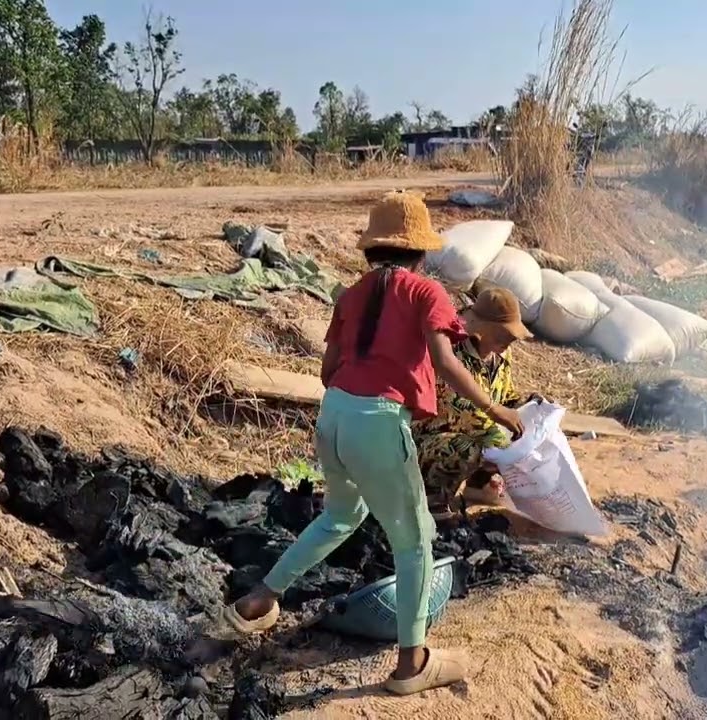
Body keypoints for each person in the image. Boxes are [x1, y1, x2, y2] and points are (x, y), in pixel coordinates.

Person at [221, 190, 524, 696]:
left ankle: (257, 602)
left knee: (340, 515)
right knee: (416, 542)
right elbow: (448, 365)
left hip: (334, 415)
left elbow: (326, 371)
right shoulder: (427, 293)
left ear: (373, 248)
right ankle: (412, 663)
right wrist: (499, 410)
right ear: (421, 251)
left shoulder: (350, 294)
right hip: (379, 423)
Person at [413, 284, 534, 516]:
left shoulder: (500, 355)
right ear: (483, 329)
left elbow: (504, 396)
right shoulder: (453, 354)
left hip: (477, 431)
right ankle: (433, 495)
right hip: (431, 438)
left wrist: (526, 406)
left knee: (510, 439)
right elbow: (460, 412)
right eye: (503, 334)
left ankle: (477, 488)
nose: (509, 342)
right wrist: (504, 447)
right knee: (471, 448)